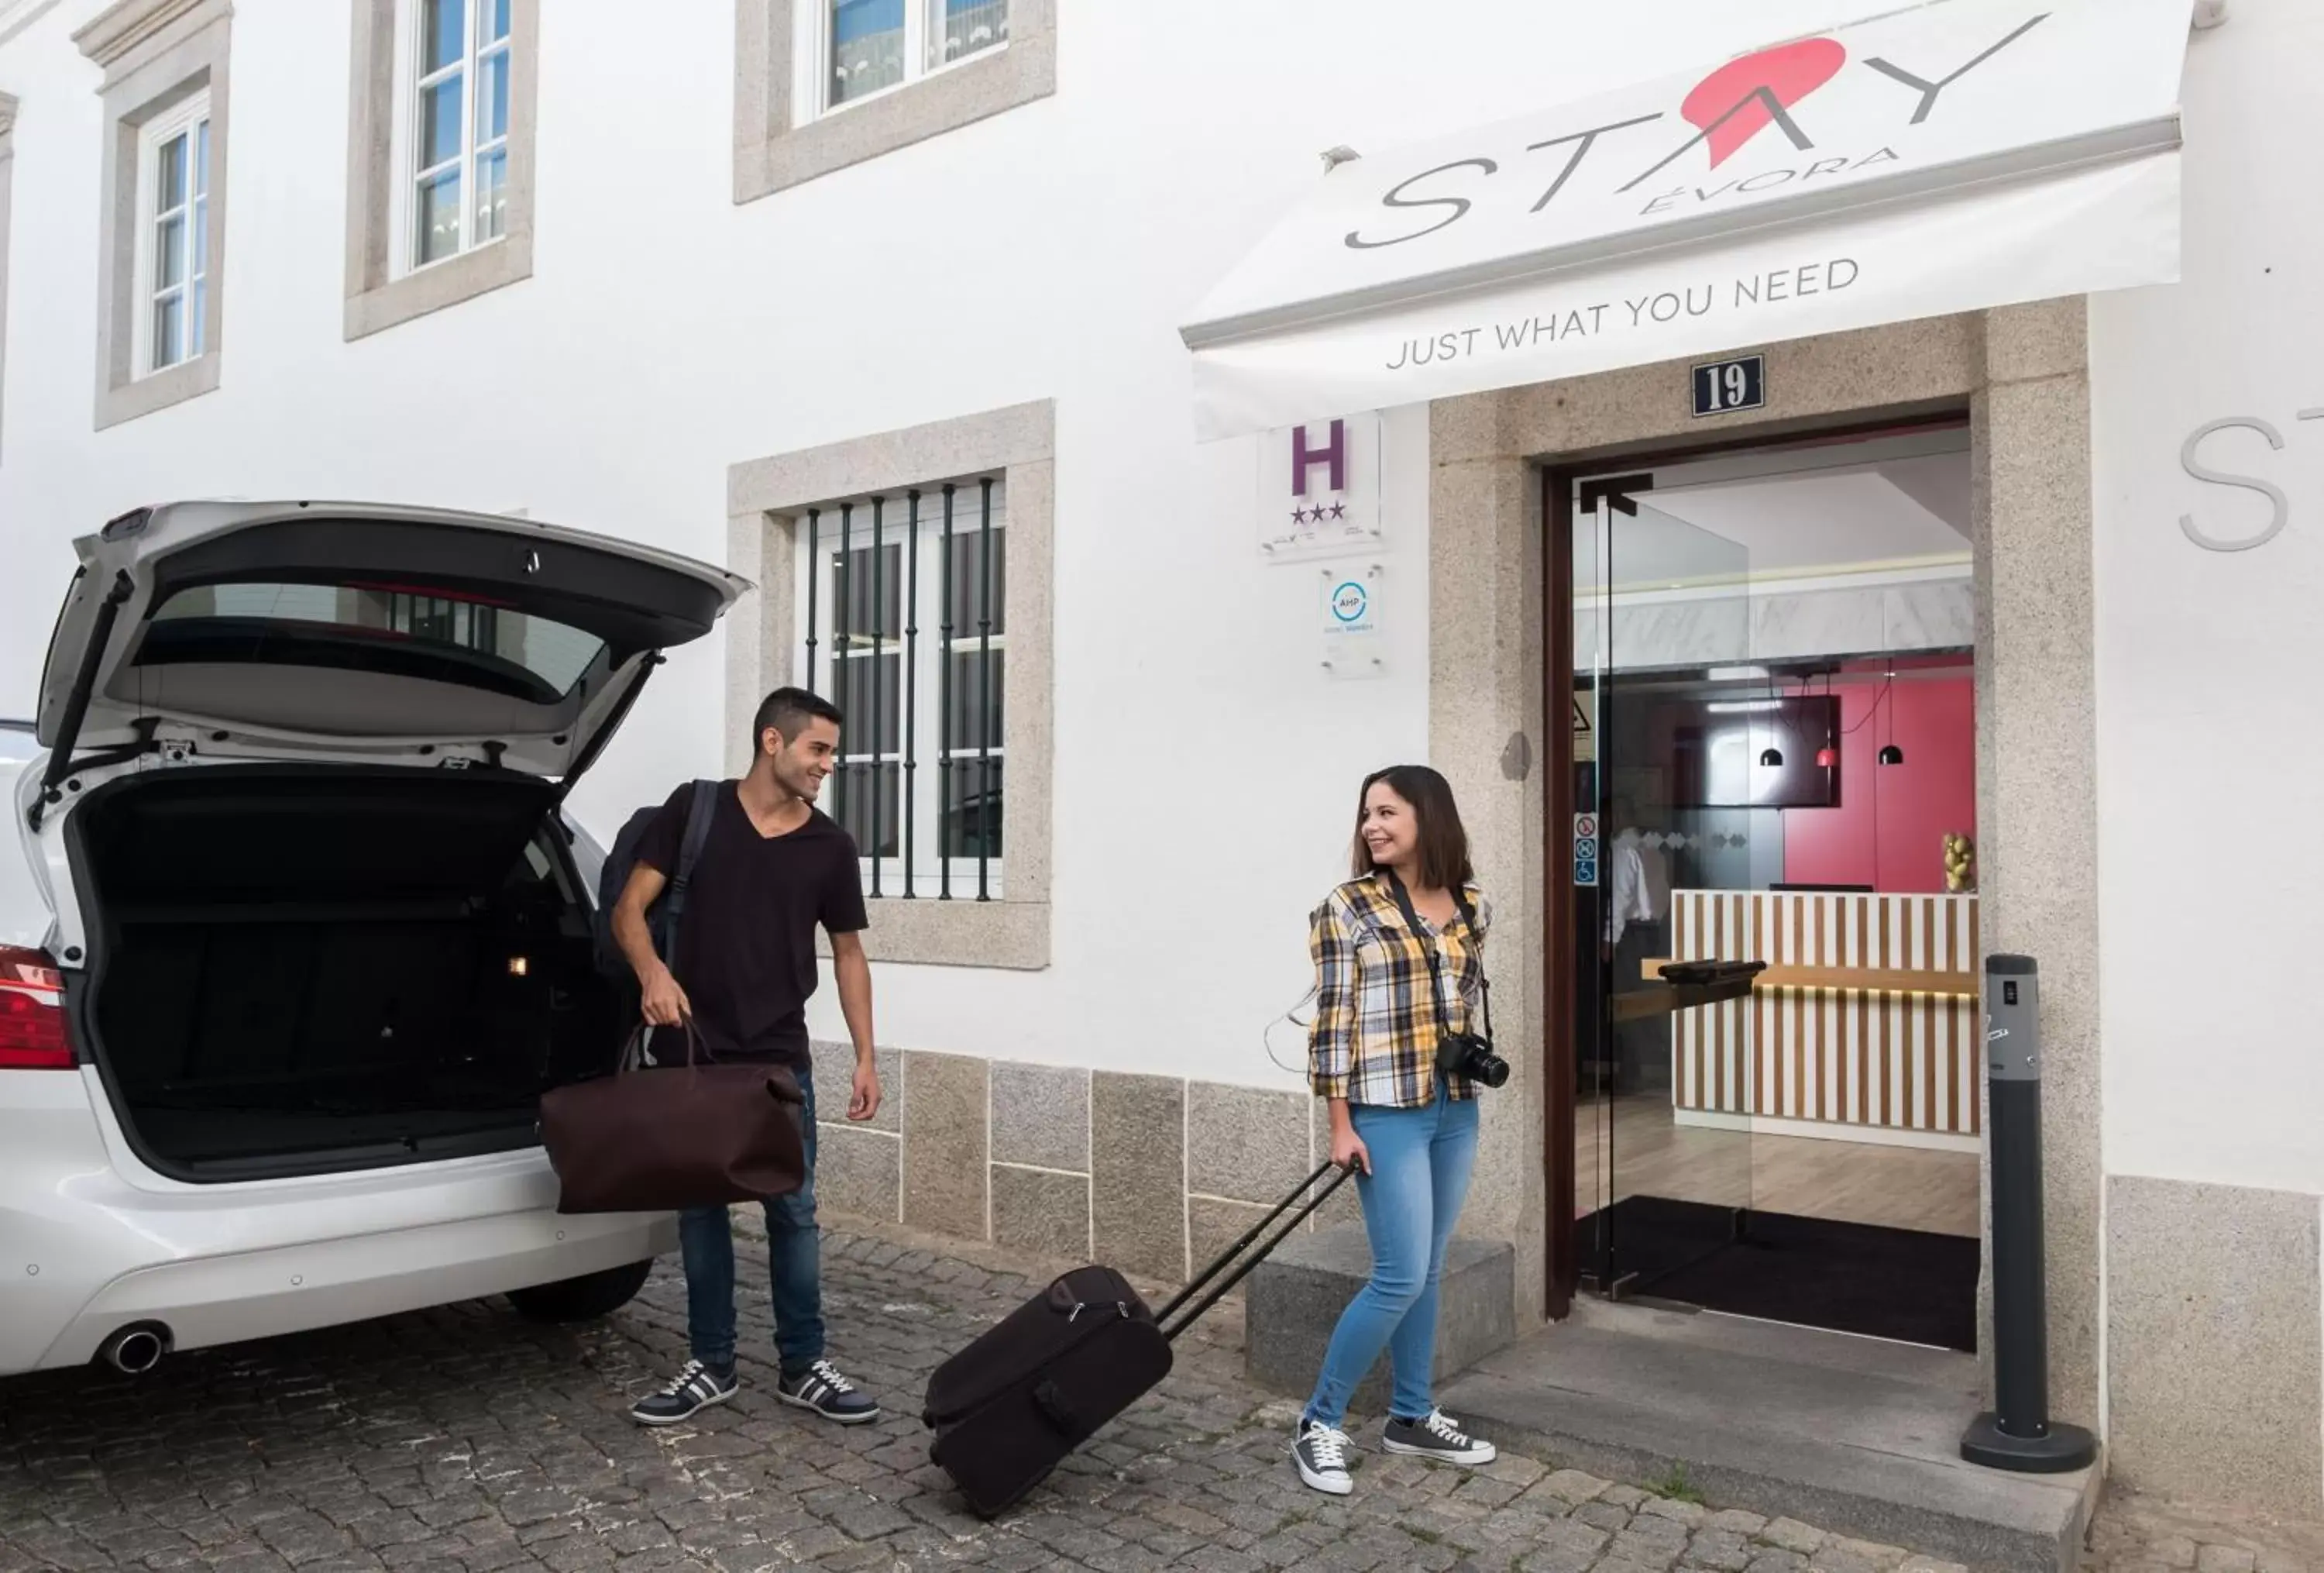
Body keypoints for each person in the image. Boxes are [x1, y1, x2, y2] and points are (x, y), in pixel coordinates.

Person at [614, 687, 884, 1427]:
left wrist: (866, 1055)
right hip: (694, 1056)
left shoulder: (830, 847)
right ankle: (712, 1363)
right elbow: (629, 910)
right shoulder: (695, 811)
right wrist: (653, 974)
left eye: (832, 751)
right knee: (702, 1212)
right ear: (773, 742)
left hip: (777, 1061)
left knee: (792, 1213)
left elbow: (849, 954)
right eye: (818, 749)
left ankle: (804, 1365)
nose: (829, 764)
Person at [1292, 764, 1500, 1496]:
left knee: (1430, 1270)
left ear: (1429, 817)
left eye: (1387, 812)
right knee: (1399, 1275)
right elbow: (1332, 1024)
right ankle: (1319, 1423)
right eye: (1367, 814)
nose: (1372, 826)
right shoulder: (1346, 907)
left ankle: (1410, 1416)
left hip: (1454, 1106)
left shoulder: (1472, 904)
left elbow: (1461, 1009)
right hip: (1383, 1112)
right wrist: (1339, 1124)